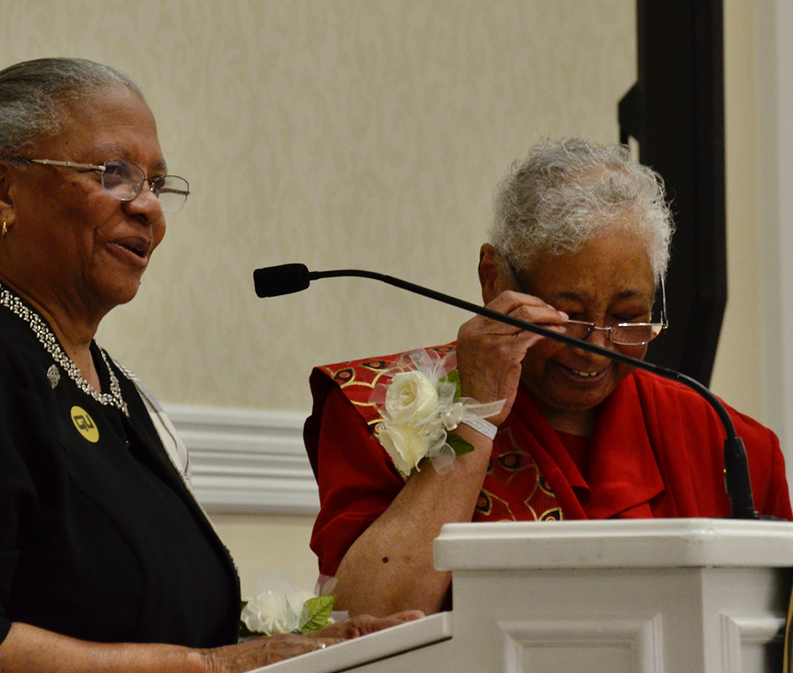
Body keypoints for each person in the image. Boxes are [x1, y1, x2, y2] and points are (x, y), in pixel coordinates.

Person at [0, 58, 417, 673]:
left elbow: (149, 620)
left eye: (157, 182)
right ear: (0, 192)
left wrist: (311, 651)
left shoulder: (102, 381)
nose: (150, 209)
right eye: (114, 174)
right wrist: (209, 667)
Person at [304, 137, 793, 618]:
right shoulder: (381, 404)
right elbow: (364, 624)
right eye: (567, 315)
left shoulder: (729, 444)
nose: (596, 349)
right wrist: (474, 418)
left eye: (627, 317)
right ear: (493, 278)